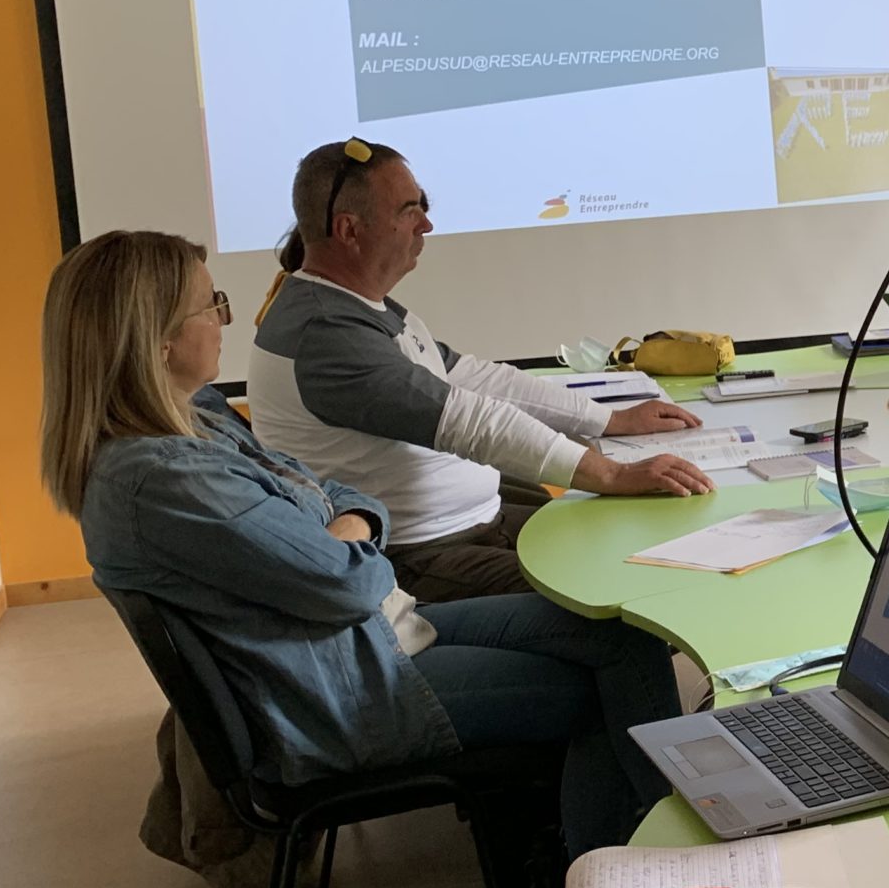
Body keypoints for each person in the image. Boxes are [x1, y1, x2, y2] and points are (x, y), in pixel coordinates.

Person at [41, 230, 683, 860]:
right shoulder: (164, 480)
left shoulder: (198, 419)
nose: (223, 321)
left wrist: (350, 527)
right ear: (156, 342)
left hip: (374, 636)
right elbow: (346, 582)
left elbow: (339, 496)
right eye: (211, 306)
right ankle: (625, 870)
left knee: (624, 636)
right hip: (347, 689)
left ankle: (639, 840)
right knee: (601, 693)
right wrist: (350, 534)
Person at [246, 139, 714, 603]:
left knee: (650, 542)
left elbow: (470, 376)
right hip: (424, 555)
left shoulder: (352, 305)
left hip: (473, 526)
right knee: (625, 587)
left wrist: (608, 420)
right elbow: (469, 421)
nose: (426, 224)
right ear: (349, 230)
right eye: (409, 210)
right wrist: (611, 475)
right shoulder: (327, 331)